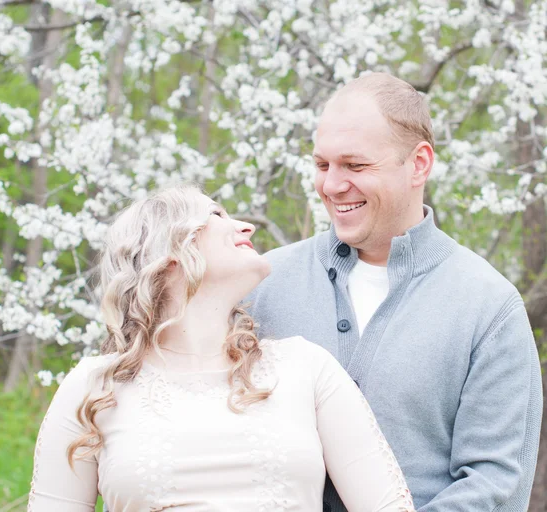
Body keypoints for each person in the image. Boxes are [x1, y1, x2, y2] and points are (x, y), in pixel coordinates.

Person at [246, 72, 543, 511]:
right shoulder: (262, 284)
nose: (331, 185)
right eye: (322, 165)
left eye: (356, 165)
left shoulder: (488, 307)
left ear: (419, 164)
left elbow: (495, 485)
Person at [27, 185, 415, 511]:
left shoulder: (306, 367)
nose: (244, 225)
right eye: (216, 215)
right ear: (169, 250)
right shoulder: (95, 386)